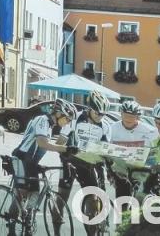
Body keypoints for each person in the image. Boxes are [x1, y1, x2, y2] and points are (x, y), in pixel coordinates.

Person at [58, 91, 111, 236]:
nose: (100, 116)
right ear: (89, 108)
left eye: (103, 114)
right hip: (69, 161)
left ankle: (92, 232)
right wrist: (65, 151)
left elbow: (106, 149)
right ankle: (56, 230)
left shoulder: (105, 125)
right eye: (97, 113)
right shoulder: (74, 118)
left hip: (88, 164)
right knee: (62, 197)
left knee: (93, 199)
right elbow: (60, 142)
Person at [10, 99, 78, 209]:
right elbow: (42, 143)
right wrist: (65, 149)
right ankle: (12, 216)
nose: (68, 122)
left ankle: (27, 217)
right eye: (67, 119)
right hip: (21, 159)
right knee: (22, 192)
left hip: (30, 163)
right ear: (58, 114)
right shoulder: (43, 120)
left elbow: (51, 145)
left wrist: (66, 151)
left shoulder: (50, 125)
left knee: (34, 193)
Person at [108, 100, 159, 199]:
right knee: (122, 192)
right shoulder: (112, 129)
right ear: (121, 114)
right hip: (120, 168)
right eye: (125, 115)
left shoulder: (150, 131)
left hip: (140, 169)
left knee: (141, 195)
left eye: (132, 116)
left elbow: (155, 152)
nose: (128, 119)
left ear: (138, 117)